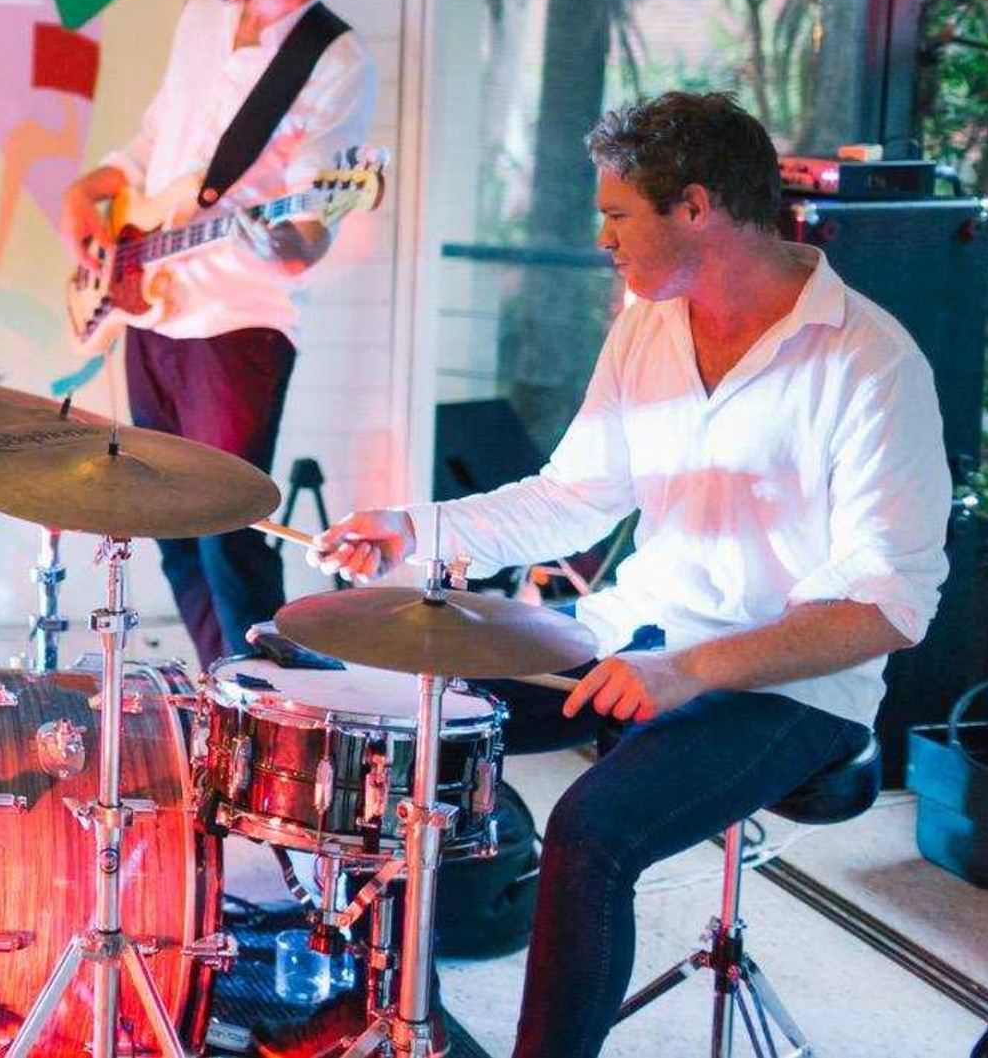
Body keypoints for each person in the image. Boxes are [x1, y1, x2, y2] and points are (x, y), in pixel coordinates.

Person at [316, 90, 952, 1058]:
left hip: (792, 683)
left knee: (592, 831)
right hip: (639, 628)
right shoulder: (649, 326)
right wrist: (413, 528)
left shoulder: (871, 362)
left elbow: (889, 606)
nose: (604, 236)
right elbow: (575, 494)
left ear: (695, 205)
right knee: (408, 725)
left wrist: (690, 672)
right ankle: (401, 1018)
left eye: (617, 214)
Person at [60, 0, 378, 669]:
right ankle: (224, 691)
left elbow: (309, 229)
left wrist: (292, 237)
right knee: (170, 529)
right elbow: (157, 136)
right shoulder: (203, 15)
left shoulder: (337, 61)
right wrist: (90, 189)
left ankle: (277, 717)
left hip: (240, 318)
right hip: (152, 301)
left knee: (228, 534)